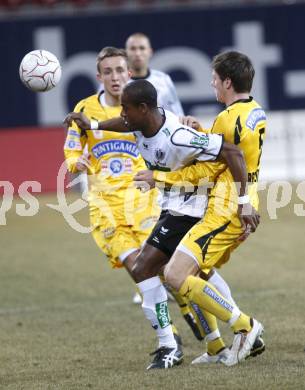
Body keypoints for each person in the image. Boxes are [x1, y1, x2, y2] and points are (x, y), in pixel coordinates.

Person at [64, 78, 261, 369]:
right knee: (191, 274)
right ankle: (218, 344)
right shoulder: (143, 122)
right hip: (173, 206)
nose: (123, 115)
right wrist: (92, 126)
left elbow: (232, 152)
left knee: (151, 269)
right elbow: (122, 124)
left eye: (127, 110)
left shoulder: (177, 136)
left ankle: (210, 335)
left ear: (143, 108)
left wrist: (244, 202)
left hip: (190, 209)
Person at [63, 46, 203, 353]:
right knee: (139, 271)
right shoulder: (85, 109)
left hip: (145, 200)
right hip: (106, 209)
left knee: (164, 271)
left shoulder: (138, 108)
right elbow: (72, 146)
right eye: (107, 72)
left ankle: (187, 307)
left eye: (119, 70)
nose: (114, 77)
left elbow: (167, 127)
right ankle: (171, 336)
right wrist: (75, 161)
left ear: (129, 74)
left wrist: (186, 124)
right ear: (99, 77)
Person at [160, 51, 266, 366]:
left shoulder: (226, 118)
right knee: (199, 274)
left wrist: (158, 178)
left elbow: (209, 170)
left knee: (175, 275)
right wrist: (201, 135)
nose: (212, 84)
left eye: (215, 79)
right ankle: (217, 347)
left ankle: (246, 327)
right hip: (241, 203)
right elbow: (225, 151)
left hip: (227, 208)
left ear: (228, 82)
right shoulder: (255, 111)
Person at [126, 32, 184, 116]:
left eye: (142, 48)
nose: (137, 53)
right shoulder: (119, 82)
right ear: (126, 53)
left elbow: (177, 114)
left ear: (150, 52)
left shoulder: (163, 79)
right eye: (133, 49)